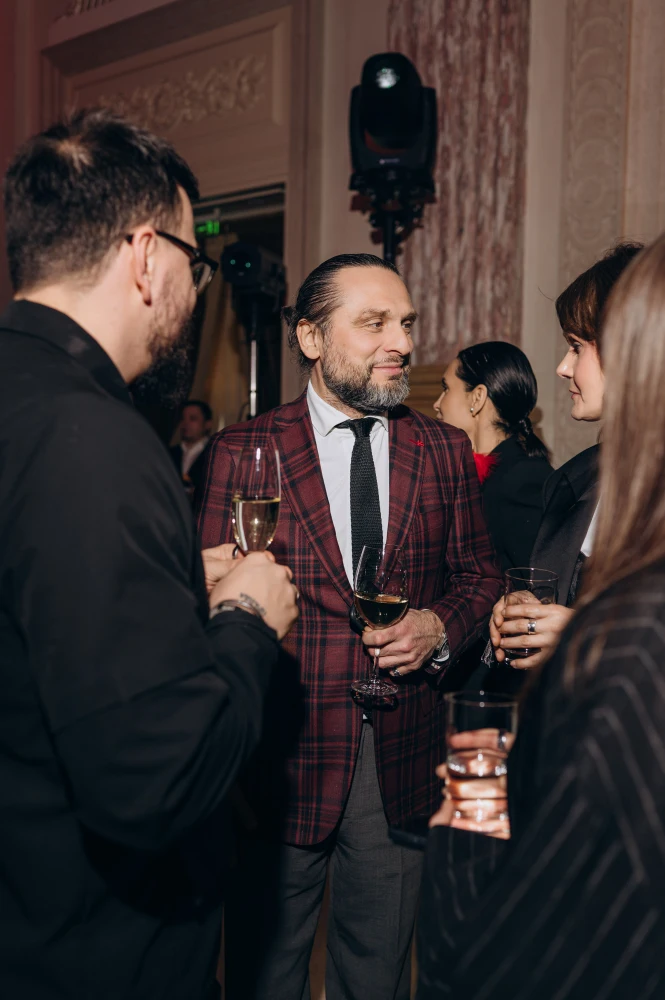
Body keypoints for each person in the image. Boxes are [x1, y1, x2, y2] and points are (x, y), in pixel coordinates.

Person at [0, 108, 298, 1000]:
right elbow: (158, 779)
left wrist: (172, 591)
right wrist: (246, 620)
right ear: (143, 256)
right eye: (191, 262)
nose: (196, 290)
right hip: (91, 948)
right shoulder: (95, 435)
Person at [198, 253, 503, 1000]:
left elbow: (481, 577)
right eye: (373, 323)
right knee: (263, 975)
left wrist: (435, 627)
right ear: (310, 337)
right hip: (276, 758)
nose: (401, 342)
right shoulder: (243, 450)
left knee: (377, 975)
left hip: (398, 760)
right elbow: (209, 603)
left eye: (406, 323)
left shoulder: (442, 449)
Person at [416, 232, 665, 1000]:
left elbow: (503, 953)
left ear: (638, 354)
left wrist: (471, 793)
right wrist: (512, 616)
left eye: (577, 347)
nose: (559, 367)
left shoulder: (634, 638)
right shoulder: (578, 477)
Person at [490, 242, 643, 671]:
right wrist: (522, 610)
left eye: (576, 347)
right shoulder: (569, 480)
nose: (562, 367)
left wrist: (583, 633)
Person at [433, 341, 552, 571]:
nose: (437, 404)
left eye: (446, 388)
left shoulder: (523, 479)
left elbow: (537, 579)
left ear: (477, 398)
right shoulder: (470, 472)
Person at [169, 398, 213, 498]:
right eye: (182, 418)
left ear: (207, 424)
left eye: (193, 419)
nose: (185, 423)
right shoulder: (169, 453)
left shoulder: (215, 454)